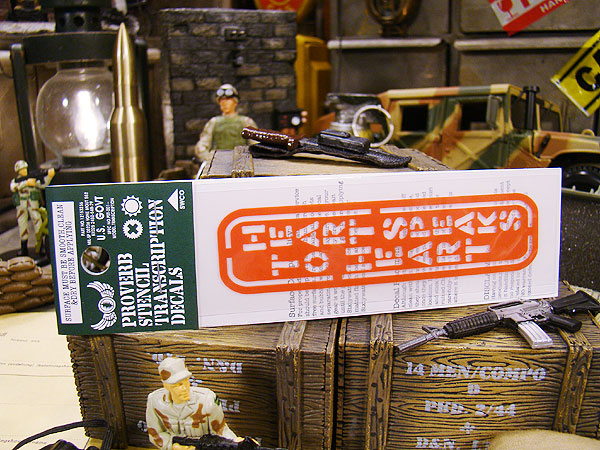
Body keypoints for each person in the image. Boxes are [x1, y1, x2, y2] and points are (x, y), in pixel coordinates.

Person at [146, 357, 239, 450]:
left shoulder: (207, 400)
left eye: (186, 381)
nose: (184, 388)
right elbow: (155, 434)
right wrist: (172, 446)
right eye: (177, 385)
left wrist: (235, 443)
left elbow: (221, 431)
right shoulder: (155, 401)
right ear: (166, 386)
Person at [194, 84, 257, 162]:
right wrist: (210, 160)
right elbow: (201, 146)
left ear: (235, 102)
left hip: (241, 162)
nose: (225, 103)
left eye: (228, 100)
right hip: (218, 162)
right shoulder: (213, 122)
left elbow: (255, 145)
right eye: (222, 100)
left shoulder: (246, 122)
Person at [10, 160, 55, 257]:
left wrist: (49, 176)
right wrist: (26, 183)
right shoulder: (15, 181)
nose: (24, 171)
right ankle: (23, 248)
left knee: (38, 223)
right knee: (22, 226)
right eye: (21, 170)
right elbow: (13, 188)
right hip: (22, 206)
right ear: (18, 171)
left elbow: (43, 185)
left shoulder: (32, 178)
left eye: (25, 169)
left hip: (33, 206)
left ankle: (41, 246)